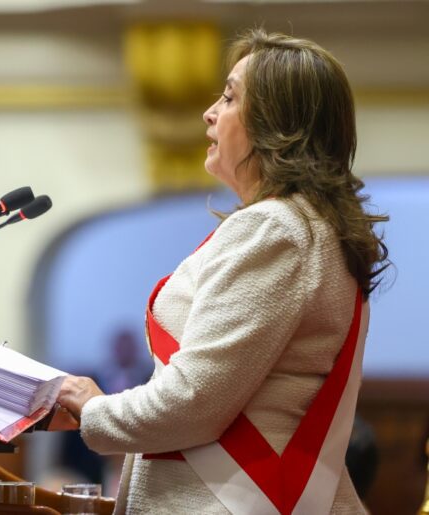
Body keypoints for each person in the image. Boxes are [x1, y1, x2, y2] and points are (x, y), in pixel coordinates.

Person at [55, 28, 389, 514]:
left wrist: (92, 407)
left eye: (230, 98)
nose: (209, 112)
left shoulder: (274, 230)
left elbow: (194, 401)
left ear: (277, 124)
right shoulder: (307, 227)